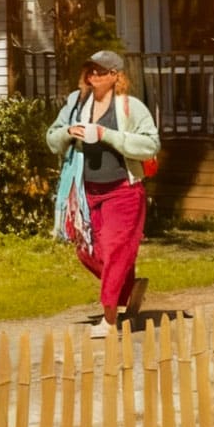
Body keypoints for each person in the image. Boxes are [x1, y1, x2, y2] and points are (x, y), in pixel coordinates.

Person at [46, 49, 160, 337]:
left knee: (117, 250)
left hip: (123, 191)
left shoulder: (130, 108)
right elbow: (51, 139)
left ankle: (109, 319)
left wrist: (107, 135)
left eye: (100, 71)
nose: (92, 76)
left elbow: (151, 145)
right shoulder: (75, 103)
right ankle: (127, 288)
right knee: (87, 253)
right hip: (84, 193)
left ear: (115, 76)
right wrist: (69, 132)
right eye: (90, 70)